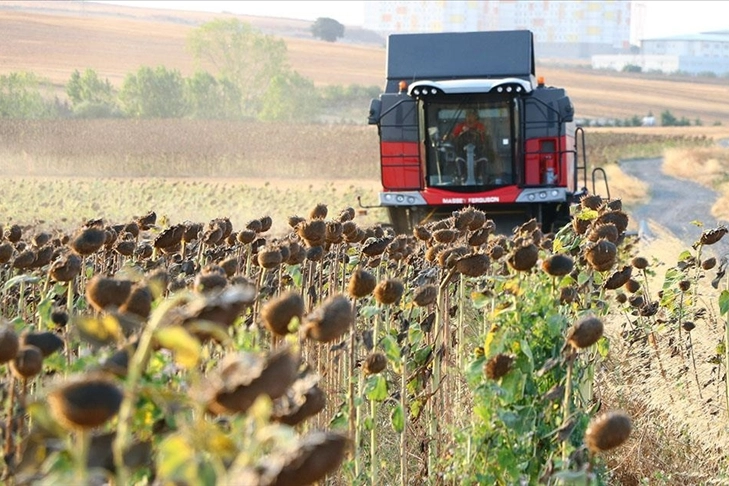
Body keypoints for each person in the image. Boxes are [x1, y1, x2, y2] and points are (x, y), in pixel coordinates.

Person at [447, 109, 494, 183]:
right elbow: (452, 137)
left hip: (478, 151)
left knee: (483, 158)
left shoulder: (480, 126)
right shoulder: (460, 126)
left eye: (472, 115)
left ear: (476, 117)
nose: (469, 117)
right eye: (468, 115)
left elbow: (486, 139)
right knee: (458, 158)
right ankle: (462, 176)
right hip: (462, 151)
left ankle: (481, 177)